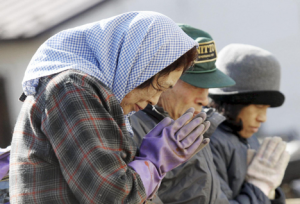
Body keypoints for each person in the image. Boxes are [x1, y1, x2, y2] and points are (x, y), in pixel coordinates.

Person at [9, 11, 211, 203]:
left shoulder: (88, 93)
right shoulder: (73, 90)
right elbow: (112, 197)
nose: (155, 101)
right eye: (159, 87)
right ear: (137, 66)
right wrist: (153, 163)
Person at [130, 25, 235, 204]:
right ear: (164, 75)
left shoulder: (191, 121)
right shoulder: (129, 126)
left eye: (208, 86)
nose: (205, 99)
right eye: (196, 85)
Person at [209, 44, 290, 204]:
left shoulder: (246, 135)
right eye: (259, 107)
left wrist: (271, 193)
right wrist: (259, 188)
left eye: (267, 109)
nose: (263, 118)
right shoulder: (208, 141)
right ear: (233, 101)